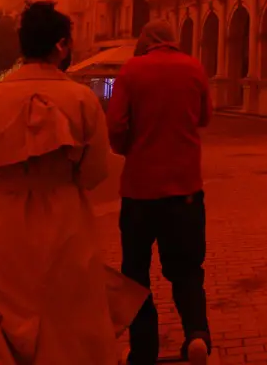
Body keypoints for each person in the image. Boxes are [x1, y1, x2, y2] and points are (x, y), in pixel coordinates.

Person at [0, 2, 118, 365]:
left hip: (0, 222)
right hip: (65, 221)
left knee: (0, 328)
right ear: (62, 45)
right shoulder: (82, 99)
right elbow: (95, 174)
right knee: (68, 326)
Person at [108, 21, 213, 365]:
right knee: (187, 268)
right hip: (185, 188)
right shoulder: (194, 66)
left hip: (140, 190)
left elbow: (116, 125)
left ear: (145, 41)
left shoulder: (132, 70)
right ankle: (197, 335)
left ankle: (144, 350)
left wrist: (128, 148)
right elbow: (204, 118)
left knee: (135, 273)